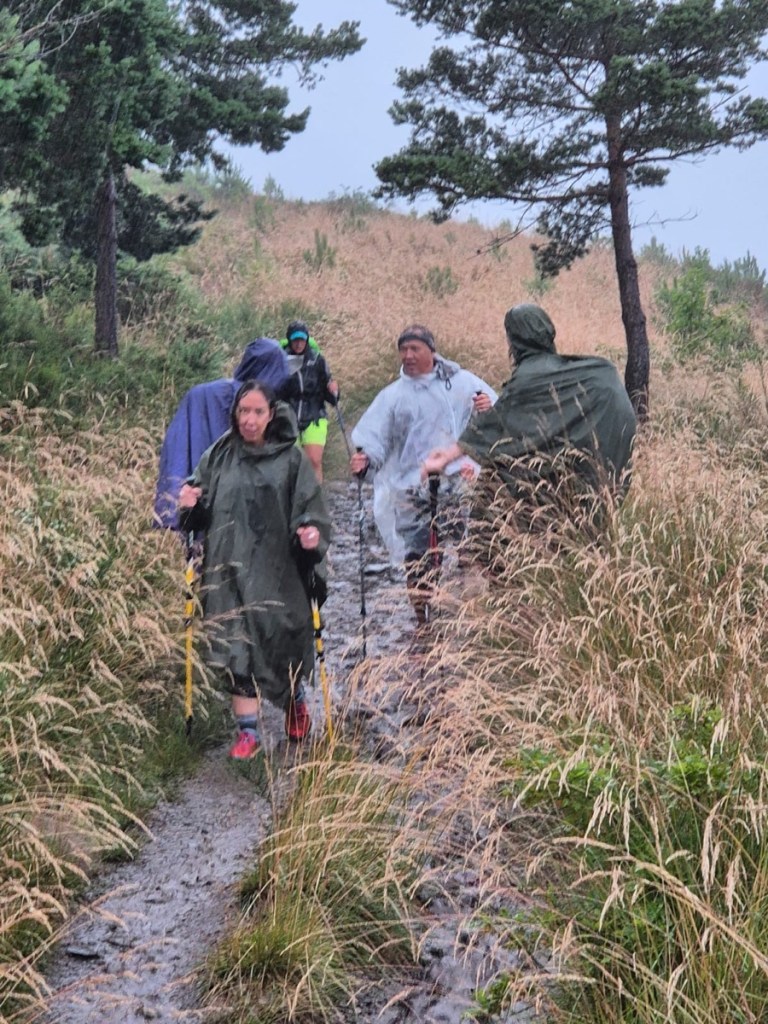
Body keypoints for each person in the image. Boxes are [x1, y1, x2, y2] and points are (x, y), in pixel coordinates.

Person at [177, 380, 331, 759]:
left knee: (281, 639)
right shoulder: (219, 454)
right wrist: (189, 502)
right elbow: (196, 505)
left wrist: (310, 533)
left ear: (271, 414)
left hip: (279, 570)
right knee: (236, 647)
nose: (249, 419)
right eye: (243, 411)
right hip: (227, 568)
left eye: (257, 412)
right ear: (234, 413)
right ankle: (248, 732)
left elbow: (311, 510)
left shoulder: (292, 460)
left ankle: (294, 701)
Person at [422, 303, 637, 542]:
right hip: (587, 489)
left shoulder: (527, 380)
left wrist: (444, 458)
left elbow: (496, 427)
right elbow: (529, 423)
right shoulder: (598, 369)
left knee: (493, 493)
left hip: (550, 493)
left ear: (514, 340)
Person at [349, 323, 497, 626]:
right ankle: (422, 620)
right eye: (403, 349)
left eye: (414, 348)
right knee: (417, 556)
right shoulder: (393, 396)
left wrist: (487, 407)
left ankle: (472, 613)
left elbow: (496, 411)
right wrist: (366, 460)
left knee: (470, 547)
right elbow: (375, 438)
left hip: (458, 479)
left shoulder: (462, 382)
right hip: (412, 486)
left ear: (431, 350)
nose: (408, 355)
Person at [154, 338, 290, 530]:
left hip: (197, 494)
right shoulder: (262, 408)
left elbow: (176, 452)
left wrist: (171, 504)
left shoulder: (201, 394)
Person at [279, 320, 339, 482]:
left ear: (306, 339)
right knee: (293, 464)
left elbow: (330, 395)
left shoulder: (317, 360)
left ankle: (315, 496)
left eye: (302, 339)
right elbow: (276, 390)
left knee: (314, 461)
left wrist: (334, 391)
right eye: (295, 340)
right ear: (289, 340)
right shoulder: (281, 360)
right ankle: (295, 496)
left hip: (315, 415)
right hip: (289, 416)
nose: (299, 344)